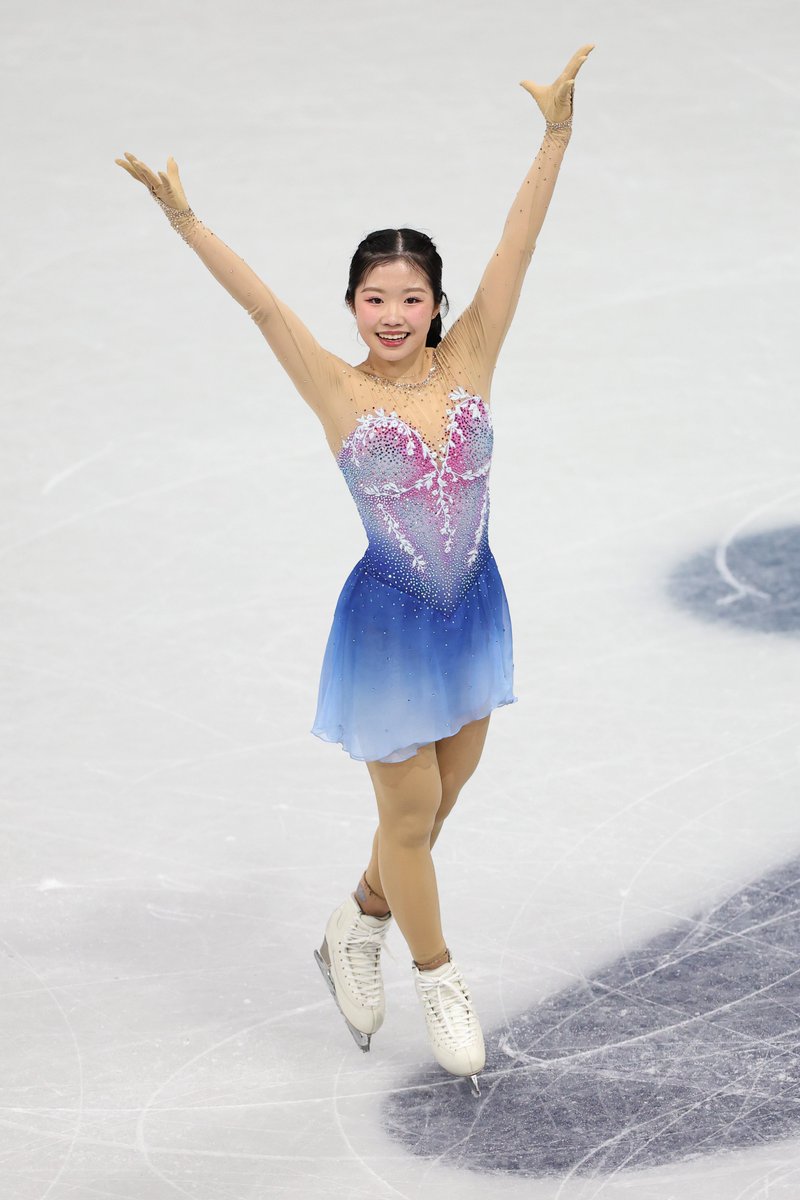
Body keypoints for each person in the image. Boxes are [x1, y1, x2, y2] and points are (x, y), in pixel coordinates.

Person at [115, 42, 594, 1097]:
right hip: (385, 629)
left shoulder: (470, 357)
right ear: (351, 306)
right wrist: (185, 221)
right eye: (373, 299)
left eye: (409, 297)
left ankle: (355, 922)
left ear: (434, 303)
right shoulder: (337, 391)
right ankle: (437, 977)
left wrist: (553, 137)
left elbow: (522, 242)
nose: (390, 315)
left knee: (435, 802)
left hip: (471, 607)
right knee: (412, 817)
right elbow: (260, 310)